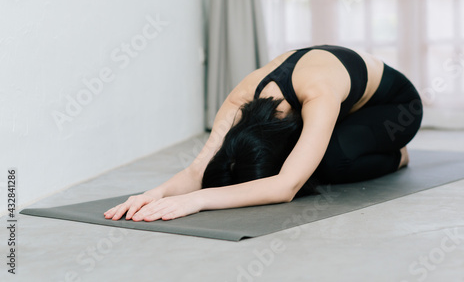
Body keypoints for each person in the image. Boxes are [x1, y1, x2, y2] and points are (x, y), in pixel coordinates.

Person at [104, 45, 423, 222]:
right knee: (308, 157)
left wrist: (198, 201)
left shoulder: (317, 94)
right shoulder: (239, 100)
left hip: (395, 107)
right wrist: (153, 194)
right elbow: (198, 168)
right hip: (347, 107)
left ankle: (397, 155)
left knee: (326, 164)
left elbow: (286, 186)